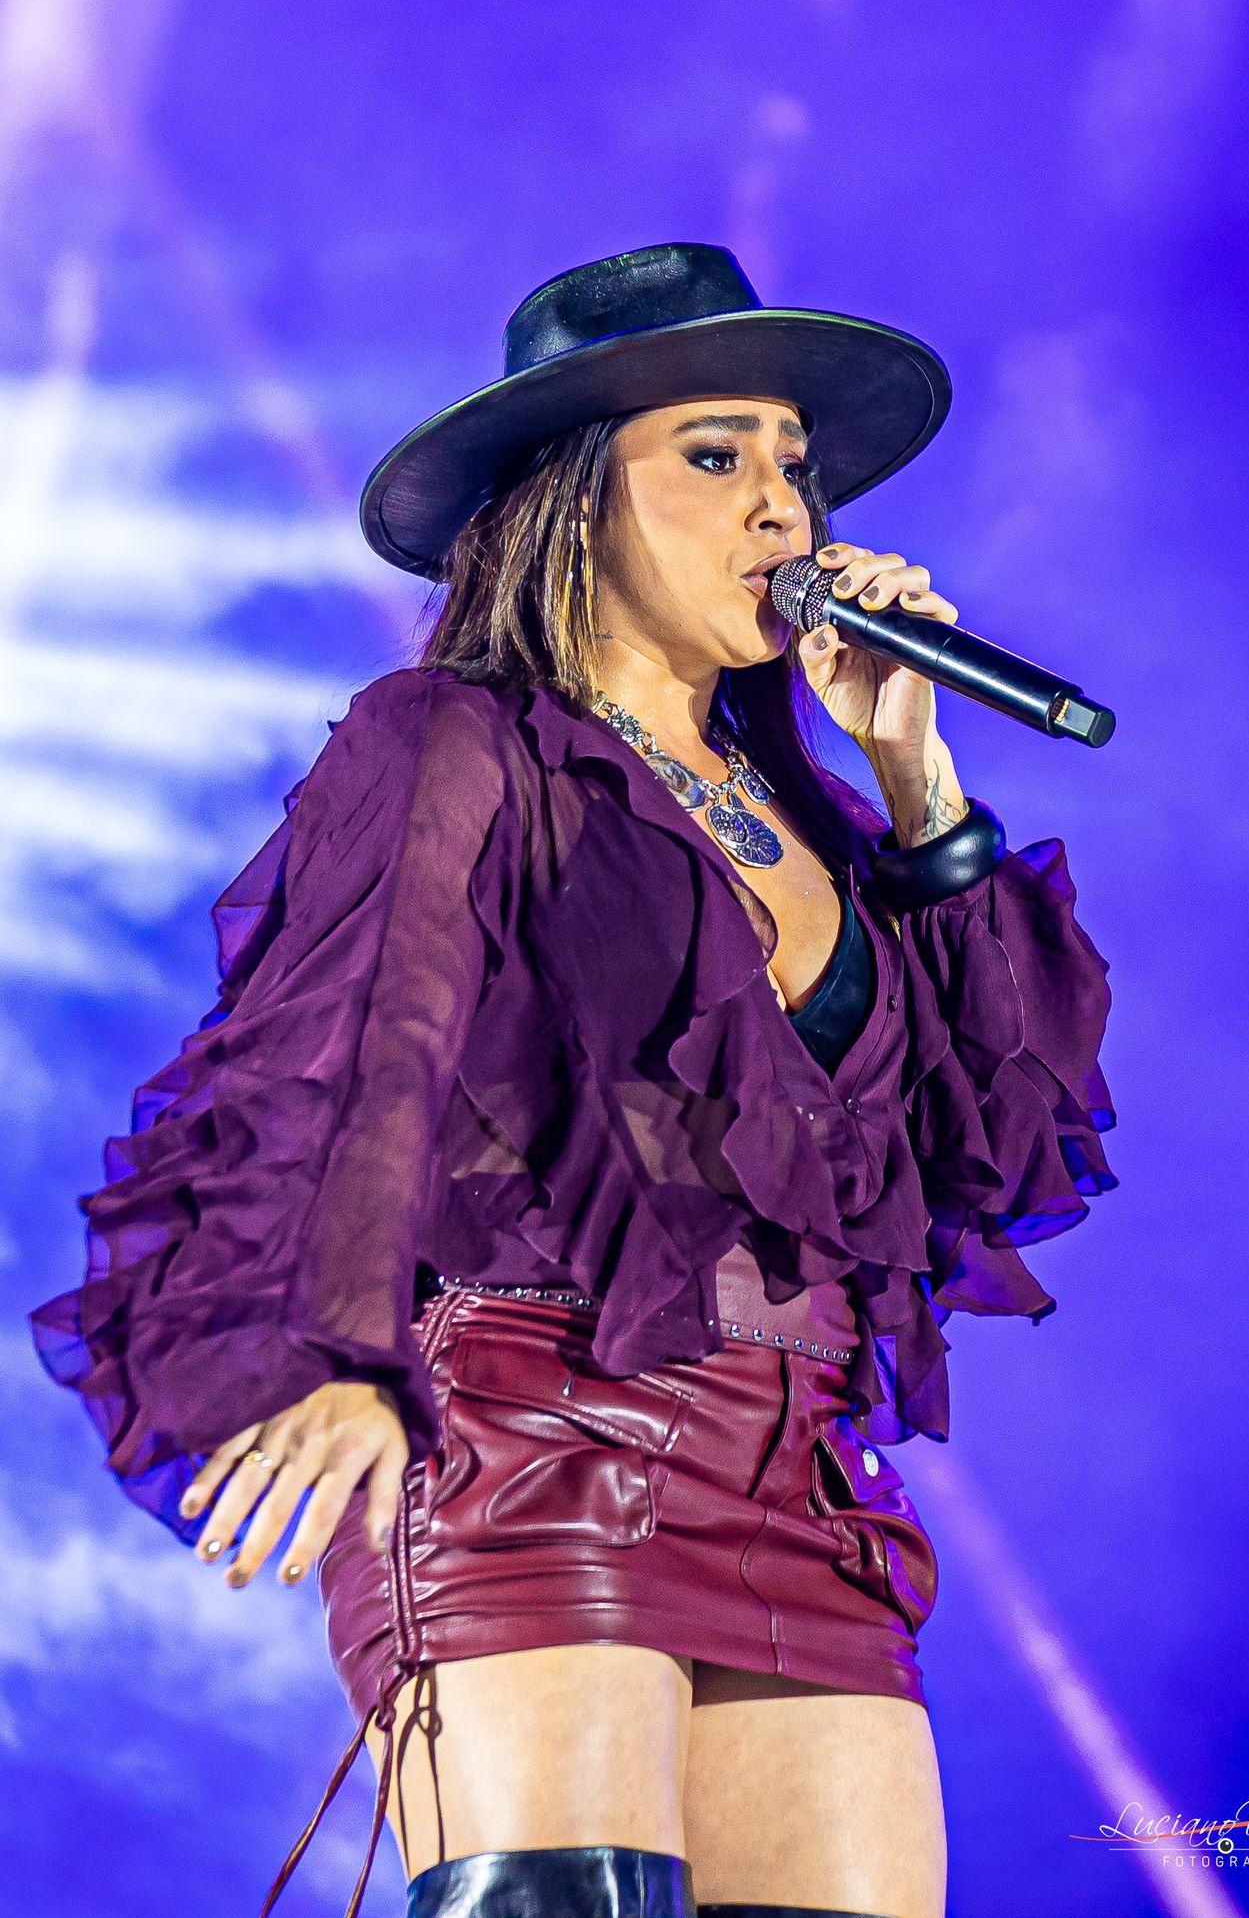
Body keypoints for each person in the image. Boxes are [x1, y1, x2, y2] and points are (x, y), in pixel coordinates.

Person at [31, 243, 1118, 1918]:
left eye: (792, 462)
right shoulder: (453, 739)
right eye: (716, 455)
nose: (783, 506)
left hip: (802, 1473)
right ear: (572, 499)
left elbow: (994, 1145)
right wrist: (332, 1346)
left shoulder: (821, 821)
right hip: (532, 1433)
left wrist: (915, 779)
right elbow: (363, 1048)